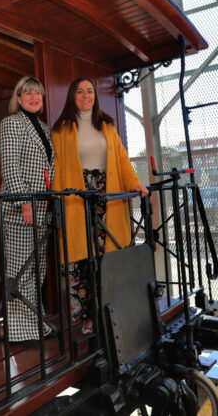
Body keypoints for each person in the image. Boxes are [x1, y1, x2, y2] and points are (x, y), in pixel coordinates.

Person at [52, 77, 148, 333]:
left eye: (90, 91)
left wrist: (135, 183)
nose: (86, 95)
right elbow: (57, 169)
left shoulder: (107, 125)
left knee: (109, 257)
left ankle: (112, 314)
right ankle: (89, 319)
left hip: (107, 196)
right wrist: (55, 202)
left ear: (95, 96)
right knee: (81, 261)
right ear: (72, 96)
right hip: (76, 199)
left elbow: (122, 159)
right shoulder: (61, 130)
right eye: (80, 91)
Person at [0, 76, 55, 346]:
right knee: (20, 271)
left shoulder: (43, 128)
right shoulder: (10, 123)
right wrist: (24, 202)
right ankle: (19, 333)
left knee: (36, 271)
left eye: (38, 93)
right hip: (20, 210)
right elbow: (10, 166)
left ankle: (36, 325)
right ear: (18, 98)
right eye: (28, 93)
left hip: (42, 209)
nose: (34, 97)